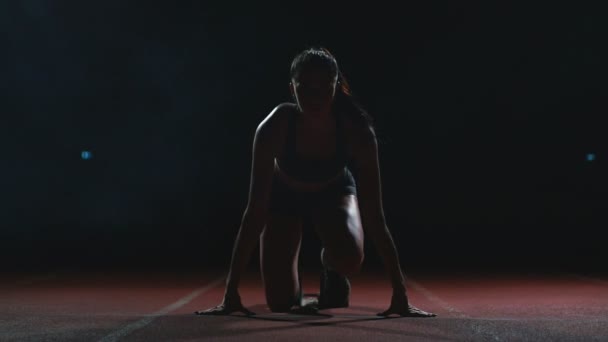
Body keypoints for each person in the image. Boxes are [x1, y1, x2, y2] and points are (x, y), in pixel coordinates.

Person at [195, 47, 436, 317]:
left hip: (332, 192)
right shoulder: (273, 127)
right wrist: (230, 294)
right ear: (291, 88)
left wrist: (400, 295)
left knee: (350, 259)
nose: (315, 95)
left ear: (337, 86)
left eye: (324, 86)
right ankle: (296, 291)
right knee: (280, 303)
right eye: (305, 86)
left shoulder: (357, 130)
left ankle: (331, 267)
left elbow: (375, 216)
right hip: (283, 196)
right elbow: (254, 212)